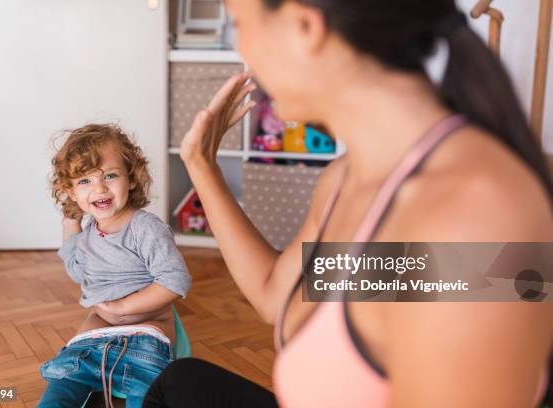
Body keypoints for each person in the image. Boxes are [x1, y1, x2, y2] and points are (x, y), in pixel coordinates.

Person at [143, 0, 553, 407]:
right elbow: (274, 293)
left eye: (239, 24)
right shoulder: (346, 179)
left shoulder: (475, 215)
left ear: (305, 27)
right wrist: (201, 165)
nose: (241, 49)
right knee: (178, 382)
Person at [39, 124, 192, 408]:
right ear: (70, 192)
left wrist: (123, 307)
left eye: (110, 175)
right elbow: (77, 271)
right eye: (84, 181)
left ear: (131, 179)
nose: (99, 188)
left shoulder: (145, 228)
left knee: (147, 398)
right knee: (61, 386)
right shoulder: (86, 236)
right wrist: (70, 225)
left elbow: (175, 281)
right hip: (94, 337)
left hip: (147, 335)